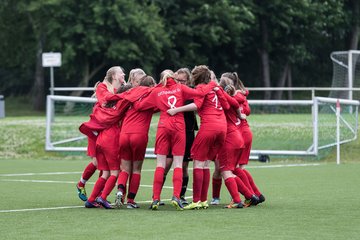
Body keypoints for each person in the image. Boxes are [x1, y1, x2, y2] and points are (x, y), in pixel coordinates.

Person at [135, 70, 215, 211]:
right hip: (179, 127)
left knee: (160, 164)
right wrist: (213, 84)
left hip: (163, 126)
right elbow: (199, 94)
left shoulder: (157, 91)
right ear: (174, 78)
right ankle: (176, 197)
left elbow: (140, 106)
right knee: (178, 164)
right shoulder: (180, 88)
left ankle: (155, 199)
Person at [167, 65, 225, 210]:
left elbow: (196, 105)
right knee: (205, 164)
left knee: (198, 164)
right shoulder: (216, 89)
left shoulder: (201, 88)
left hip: (209, 127)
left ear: (196, 77)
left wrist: (176, 110)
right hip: (222, 128)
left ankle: (196, 200)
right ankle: (204, 200)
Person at [76, 66, 126, 202]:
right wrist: (125, 95)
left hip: (108, 131)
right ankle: (81, 184)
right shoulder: (103, 87)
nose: (124, 75)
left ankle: (98, 196)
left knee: (106, 168)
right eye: (121, 73)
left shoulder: (119, 89)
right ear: (114, 76)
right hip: (97, 130)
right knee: (98, 164)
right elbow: (106, 100)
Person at [215, 76, 259, 208]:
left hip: (230, 138)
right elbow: (242, 106)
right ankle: (252, 195)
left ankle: (238, 199)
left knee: (226, 171)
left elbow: (229, 104)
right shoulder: (237, 97)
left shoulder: (223, 99)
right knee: (234, 170)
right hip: (238, 136)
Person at [222, 72, 265, 205]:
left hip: (237, 133)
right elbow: (247, 111)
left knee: (234, 169)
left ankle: (249, 195)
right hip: (244, 132)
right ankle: (255, 194)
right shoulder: (240, 96)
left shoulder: (227, 98)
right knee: (239, 169)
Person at [115, 75, 156, 209]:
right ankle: (130, 200)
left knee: (125, 168)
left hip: (124, 135)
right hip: (139, 136)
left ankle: (120, 190)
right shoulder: (151, 98)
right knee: (137, 169)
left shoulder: (131, 97)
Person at [162, 68, 198, 206]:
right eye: (178, 80)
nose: (180, 83)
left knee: (184, 165)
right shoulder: (172, 90)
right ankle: (156, 195)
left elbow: (196, 106)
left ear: (188, 81)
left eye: (183, 80)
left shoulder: (190, 91)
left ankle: (181, 196)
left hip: (187, 131)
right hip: (172, 131)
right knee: (166, 164)